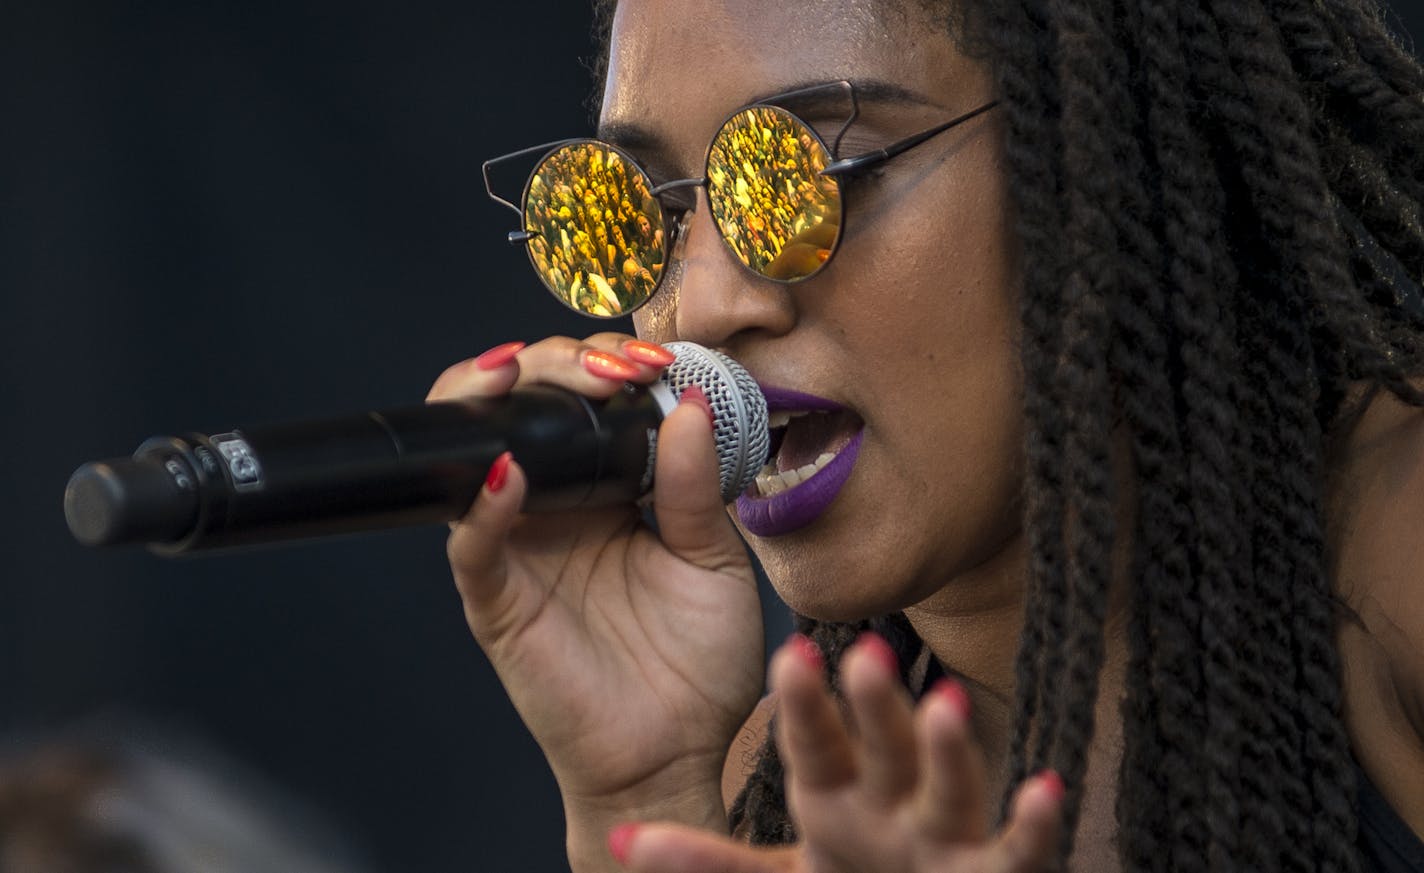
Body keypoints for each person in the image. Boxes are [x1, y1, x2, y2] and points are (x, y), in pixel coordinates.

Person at [427, 0, 1424, 869]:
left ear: (1099, 148)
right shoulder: (779, 783)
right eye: (627, 214)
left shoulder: (1397, 549)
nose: (699, 310)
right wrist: (640, 806)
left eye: (799, 177)